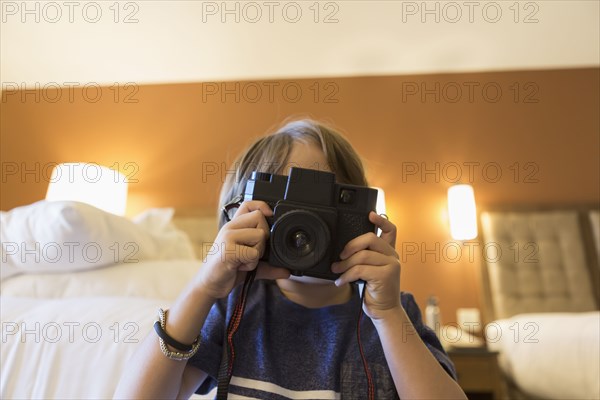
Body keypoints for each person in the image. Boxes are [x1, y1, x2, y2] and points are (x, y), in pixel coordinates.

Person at [114, 119, 467, 399]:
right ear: (240, 220)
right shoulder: (234, 309)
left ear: (360, 214)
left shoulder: (389, 313)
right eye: (288, 209)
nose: (305, 228)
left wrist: (388, 316)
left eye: (324, 206)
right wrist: (203, 288)